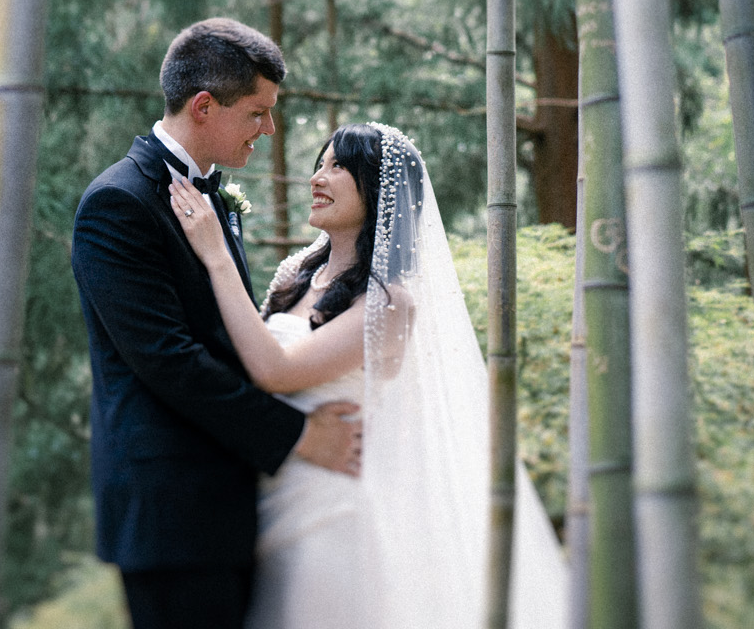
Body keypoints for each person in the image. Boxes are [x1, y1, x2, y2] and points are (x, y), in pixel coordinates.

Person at [170, 121, 570, 629]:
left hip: (329, 511)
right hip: (260, 494)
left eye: (339, 167)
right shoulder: (294, 274)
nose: (318, 176)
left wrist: (215, 255)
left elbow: (275, 369)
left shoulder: (390, 301)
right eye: (320, 163)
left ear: (379, 191)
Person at [70, 18, 363, 629]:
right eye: (258, 112)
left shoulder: (211, 198)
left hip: (231, 506)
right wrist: (297, 436)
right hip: (171, 515)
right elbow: (170, 362)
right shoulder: (118, 203)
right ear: (205, 106)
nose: (270, 129)